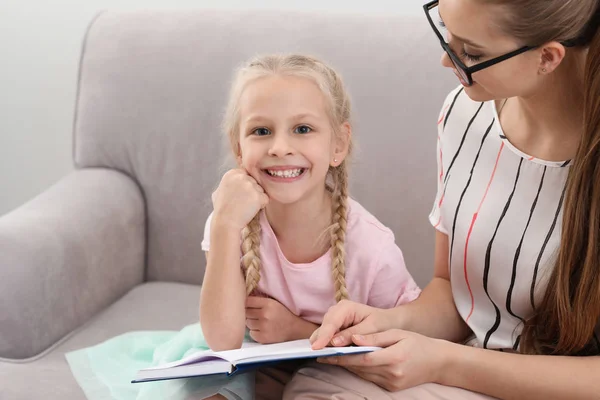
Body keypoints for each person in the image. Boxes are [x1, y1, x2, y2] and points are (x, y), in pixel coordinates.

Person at [285, 0, 600, 399]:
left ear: (548, 57)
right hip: (467, 375)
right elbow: (452, 292)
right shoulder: (463, 117)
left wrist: (444, 362)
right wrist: (386, 324)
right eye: (446, 33)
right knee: (314, 383)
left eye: (470, 52)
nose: (446, 61)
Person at [65, 54, 421, 400]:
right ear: (239, 147)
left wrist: (296, 331)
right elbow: (222, 341)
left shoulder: (371, 246)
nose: (280, 147)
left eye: (302, 129)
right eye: (261, 131)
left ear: (338, 144)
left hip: (337, 375)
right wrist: (224, 224)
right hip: (246, 367)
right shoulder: (232, 221)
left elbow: (401, 342)